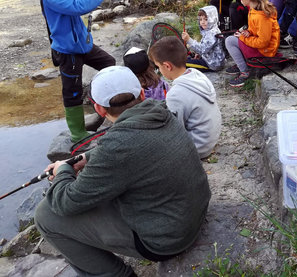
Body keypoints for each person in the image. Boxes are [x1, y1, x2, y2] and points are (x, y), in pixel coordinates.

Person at [34, 66, 211, 276]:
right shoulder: (162, 112)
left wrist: (63, 171)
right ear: (142, 94)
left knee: (45, 215)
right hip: (191, 214)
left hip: (165, 240)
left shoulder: (118, 147)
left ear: (98, 109)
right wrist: (87, 158)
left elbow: (65, 202)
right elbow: (136, 150)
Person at [32, 0, 124, 143]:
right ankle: (78, 134)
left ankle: (105, 108)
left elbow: (75, 4)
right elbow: (78, 8)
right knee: (72, 93)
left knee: (109, 63)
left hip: (82, 45)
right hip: (68, 51)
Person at [149, 36, 221, 158]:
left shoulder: (176, 94)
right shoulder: (197, 75)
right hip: (210, 139)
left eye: (158, 66)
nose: (159, 71)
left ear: (167, 66)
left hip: (198, 147)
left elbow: (173, 130)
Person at [225, 0, 280, 87]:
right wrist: (248, 32)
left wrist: (243, 38)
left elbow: (263, 42)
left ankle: (245, 71)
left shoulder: (261, 16)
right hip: (261, 47)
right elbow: (255, 29)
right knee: (233, 37)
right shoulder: (254, 9)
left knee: (229, 41)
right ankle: (242, 63)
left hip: (265, 51)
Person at [182, 6, 226, 71]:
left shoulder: (212, 33)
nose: (202, 22)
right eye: (200, 19)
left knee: (183, 64)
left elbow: (203, 49)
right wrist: (199, 54)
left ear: (213, 19)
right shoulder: (210, 30)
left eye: (206, 19)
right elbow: (206, 47)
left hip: (212, 64)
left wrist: (189, 40)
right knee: (188, 59)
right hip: (210, 59)